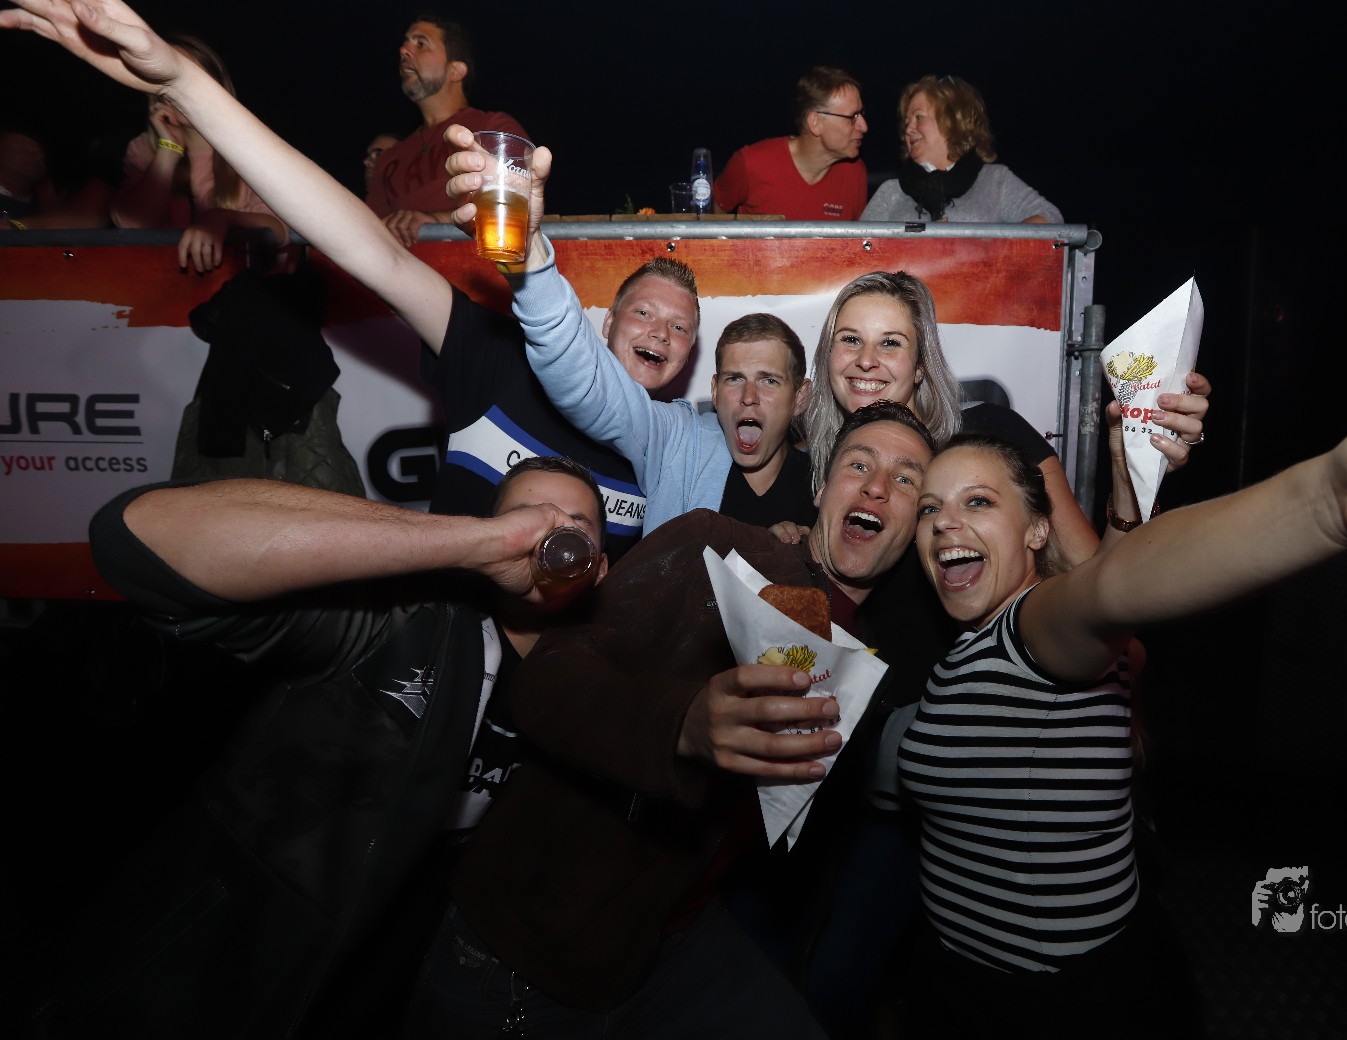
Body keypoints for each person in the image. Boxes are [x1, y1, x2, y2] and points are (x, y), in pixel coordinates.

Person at [891, 343, 1347, 1035]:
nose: (946, 523)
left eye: (978, 501)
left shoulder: (1031, 628)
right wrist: (1128, 481)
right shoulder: (977, 643)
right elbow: (1109, 592)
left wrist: (1327, 502)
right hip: (969, 979)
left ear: (1038, 528)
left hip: (1061, 1003)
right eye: (930, 509)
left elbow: (1111, 589)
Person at [0, 0, 668, 556]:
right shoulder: (494, 362)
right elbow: (362, 245)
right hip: (428, 338)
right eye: (643, 313)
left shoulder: (676, 444)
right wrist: (182, 83)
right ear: (604, 321)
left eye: (423, 41)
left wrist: (448, 222)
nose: (662, 333)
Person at [12, 454, 611, 1036]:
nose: (548, 532)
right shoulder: (403, 623)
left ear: (601, 567)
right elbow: (135, 536)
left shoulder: (599, 698)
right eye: (527, 515)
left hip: (395, 972)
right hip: (221, 962)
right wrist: (479, 542)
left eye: (574, 526)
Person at [405, 402, 940, 1037]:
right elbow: (549, 675)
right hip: (524, 948)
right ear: (822, 488)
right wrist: (680, 724)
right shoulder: (713, 546)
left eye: (905, 479)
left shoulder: (873, 663)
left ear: (918, 521)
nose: (877, 488)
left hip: (670, 942)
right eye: (859, 465)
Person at [442, 129, 816, 530]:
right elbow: (589, 382)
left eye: (770, 380)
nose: (749, 396)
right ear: (714, 389)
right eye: (734, 378)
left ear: (801, 397)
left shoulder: (828, 480)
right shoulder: (677, 439)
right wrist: (528, 257)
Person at [802, 268, 1209, 569]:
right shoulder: (804, 462)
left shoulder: (994, 432)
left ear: (921, 366)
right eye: (850, 339)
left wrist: (1133, 473)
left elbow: (1091, 577)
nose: (866, 360)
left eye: (890, 343)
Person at [110, 33, 287, 272]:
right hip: (163, 286)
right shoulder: (142, 149)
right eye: (166, 78)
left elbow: (280, 229)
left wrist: (223, 218)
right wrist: (169, 150)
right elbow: (134, 227)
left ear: (217, 85)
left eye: (189, 77)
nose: (178, 91)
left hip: (245, 284)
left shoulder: (252, 144)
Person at [366, 14, 526, 248]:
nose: (404, 50)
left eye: (421, 44)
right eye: (405, 43)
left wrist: (436, 223)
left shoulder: (494, 128)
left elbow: (518, 202)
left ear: (455, 71)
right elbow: (367, 233)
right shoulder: (389, 159)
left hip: (476, 266)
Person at [861, 74, 1063, 224]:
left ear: (952, 121)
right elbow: (855, 252)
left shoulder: (995, 181)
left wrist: (983, 250)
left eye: (919, 117)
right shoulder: (891, 192)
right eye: (907, 122)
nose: (908, 129)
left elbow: (1050, 219)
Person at [713, 66, 869, 221]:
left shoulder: (854, 174)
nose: (864, 126)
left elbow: (859, 235)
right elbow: (714, 214)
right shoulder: (751, 164)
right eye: (852, 117)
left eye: (861, 113)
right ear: (815, 123)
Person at [0, 126, 111, 229]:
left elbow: (88, 220)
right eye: (22, 147)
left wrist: (17, 226)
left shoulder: (44, 206)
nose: (35, 155)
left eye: (40, 154)